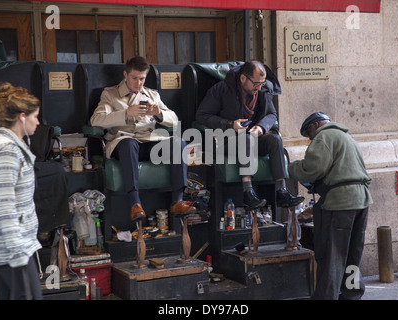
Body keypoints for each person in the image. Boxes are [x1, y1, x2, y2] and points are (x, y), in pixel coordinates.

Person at [91, 56, 195, 221]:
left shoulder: (152, 94)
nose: (138, 83)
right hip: (124, 142)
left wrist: (158, 114)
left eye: (142, 79)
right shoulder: (110, 94)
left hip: (149, 142)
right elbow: (96, 120)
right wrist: (126, 113)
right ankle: (135, 204)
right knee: (129, 144)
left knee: (178, 142)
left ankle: (178, 201)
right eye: (134, 78)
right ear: (125, 74)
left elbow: (174, 119)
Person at [195, 60, 304, 209]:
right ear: (243, 78)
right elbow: (201, 115)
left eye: (262, 83)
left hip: (252, 137)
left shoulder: (263, 91)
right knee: (245, 139)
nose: (259, 88)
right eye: (256, 83)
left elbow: (272, 114)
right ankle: (247, 192)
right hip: (226, 141)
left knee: (274, 139)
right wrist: (229, 124)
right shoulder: (221, 89)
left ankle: (281, 191)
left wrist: (261, 127)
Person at [288, 112, 373, 300]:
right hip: (361, 201)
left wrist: (291, 167)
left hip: (340, 202)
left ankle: (327, 297)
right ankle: (352, 294)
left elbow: (312, 168)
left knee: (333, 256)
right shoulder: (347, 137)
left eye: (309, 133)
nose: (310, 138)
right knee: (352, 254)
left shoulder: (324, 136)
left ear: (317, 124)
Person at [0, 82, 43, 300]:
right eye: (35, 116)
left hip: (9, 251)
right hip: (12, 254)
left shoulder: (3, 145)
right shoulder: (7, 152)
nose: (38, 122)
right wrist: (17, 254)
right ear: (22, 117)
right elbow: (5, 206)